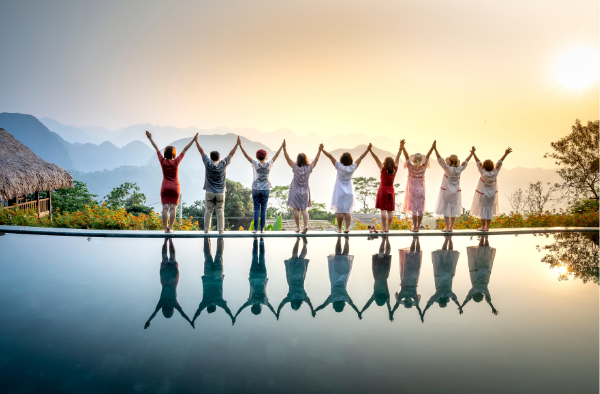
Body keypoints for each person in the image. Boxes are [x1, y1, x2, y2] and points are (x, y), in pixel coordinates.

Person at [146, 131, 197, 233]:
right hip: (175, 187)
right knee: (173, 208)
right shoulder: (176, 161)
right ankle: (171, 228)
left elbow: (156, 148)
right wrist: (193, 140)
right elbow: (185, 149)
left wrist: (150, 138)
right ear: (174, 153)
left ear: (165, 153)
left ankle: (165, 229)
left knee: (165, 208)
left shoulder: (162, 161)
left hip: (165, 186)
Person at [321, 144, 372, 233]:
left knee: (339, 211)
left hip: (339, 192)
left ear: (341, 160)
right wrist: (367, 150)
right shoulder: (352, 167)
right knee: (348, 211)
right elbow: (360, 158)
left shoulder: (338, 166)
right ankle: (347, 228)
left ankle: (340, 229)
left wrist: (322, 150)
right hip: (349, 193)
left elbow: (330, 156)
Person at [144, 239, 193, 329]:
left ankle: (169, 239)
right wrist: (148, 321)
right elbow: (154, 313)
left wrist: (190, 321)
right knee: (165, 258)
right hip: (165, 279)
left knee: (172, 258)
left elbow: (182, 313)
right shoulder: (162, 304)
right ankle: (167, 240)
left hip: (173, 280)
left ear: (172, 310)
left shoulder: (173, 303)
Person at [195, 136, 240, 234]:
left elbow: (201, 151)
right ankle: (221, 231)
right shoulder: (223, 163)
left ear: (210, 157)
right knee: (220, 212)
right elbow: (231, 154)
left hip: (209, 192)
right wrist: (237, 145)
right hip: (220, 193)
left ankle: (206, 231)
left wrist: (196, 141)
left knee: (208, 211)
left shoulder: (207, 163)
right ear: (219, 158)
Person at [239, 140, 284, 233]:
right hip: (266, 189)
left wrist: (240, 145)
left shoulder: (255, 164)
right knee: (263, 209)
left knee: (256, 209)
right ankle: (262, 229)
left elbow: (246, 155)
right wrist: (282, 147)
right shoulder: (269, 164)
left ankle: (255, 229)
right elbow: (276, 155)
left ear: (257, 156)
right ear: (265, 156)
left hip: (255, 188)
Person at [314, 237, 362, 318]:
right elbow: (323, 306)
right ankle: (339, 238)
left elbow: (353, 305)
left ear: (343, 305)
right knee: (337, 254)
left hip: (344, 274)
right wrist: (315, 310)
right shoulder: (332, 298)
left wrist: (358, 312)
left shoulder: (346, 298)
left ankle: (346, 240)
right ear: (335, 305)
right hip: (335, 273)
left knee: (345, 255)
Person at [282, 140, 323, 233]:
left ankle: (297, 227)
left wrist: (284, 148)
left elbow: (287, 158)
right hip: (305, 191)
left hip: (295, 191)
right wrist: (319, 151)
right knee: (304, 209)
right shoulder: (309, 167)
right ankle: (305, 226)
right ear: (306, 159)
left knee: (296, 209)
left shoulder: (295, 166)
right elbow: (316, 160)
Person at [192, 238, 235, 327]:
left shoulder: (219, 302)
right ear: (208, 307)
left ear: (215, 306)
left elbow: (227, 309)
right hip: (208, 275)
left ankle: (220, 238)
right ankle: (206, 238)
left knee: (219, 255)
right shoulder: (205, 302)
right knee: (207, 255)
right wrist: (193, 320)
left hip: (217, 275)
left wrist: (232, 317)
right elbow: (198, 311)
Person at [432, 145, 474, 232]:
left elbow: (440, 160)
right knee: (453, 209)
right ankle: (451, 227)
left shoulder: (447, 168)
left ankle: (447, 227)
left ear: (449, 161)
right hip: (456, 192)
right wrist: (472, 153)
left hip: (447, 191)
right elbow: (466, 161)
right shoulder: (459, 169)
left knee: (446, 208)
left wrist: (435, 149)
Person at [470, 147, 513, 231]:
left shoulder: (483, 172)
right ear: (492, 166)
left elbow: (478, 162)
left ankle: (482, 227)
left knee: (483, 209)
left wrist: (473, 153)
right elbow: (499, 163)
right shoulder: (495, 173)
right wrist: (506, 154)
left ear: (484, 166)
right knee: (489, 209)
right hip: (491, 195)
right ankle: (487, 227)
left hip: (483, 195)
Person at [235, 238, 277, 319]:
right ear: (252, 307)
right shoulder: (251, 301)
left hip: (262, 276)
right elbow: (242, 308)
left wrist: (276, 313)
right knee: (254, 256)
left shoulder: (264, 301)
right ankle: (256, 240)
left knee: (261, 256)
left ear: (260, 307)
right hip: (253, 276)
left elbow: (271, 307)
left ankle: (261, 240)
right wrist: (235, 316)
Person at [422, 236, 463, 321]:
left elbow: (456, 301)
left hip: (449, 273)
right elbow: (429, 303)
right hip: (440, 273)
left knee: (450, 254)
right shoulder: (438, 295)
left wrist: (460, 307)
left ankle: (449, 239)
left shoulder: (449, 294)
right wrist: (424, 312)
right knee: (442, 255)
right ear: (440, 301)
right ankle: (446, 239)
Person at [400, 140, 436, 232]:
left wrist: (403, 147)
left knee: (414, 210)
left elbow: (406, 157)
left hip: (412, 190)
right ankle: (418, 227)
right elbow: (427, 157)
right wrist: (432, 147)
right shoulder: (423, 168)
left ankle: (414, 227)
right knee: (420, 210)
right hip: (421, 190)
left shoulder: (410, 167)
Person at [276, 237, 315, 318]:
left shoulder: (302, 298)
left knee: (301, 258)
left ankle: (304, 244)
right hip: (292, 275)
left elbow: (309, 303)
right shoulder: (290, 298)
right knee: (294, 257)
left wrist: (312, 310)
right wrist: (278, 312)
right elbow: (282, 304)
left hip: (299, 275)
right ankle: (298, 241)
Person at [368, 142, 402, 232]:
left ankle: (383, 228)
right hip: (391, 189)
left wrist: (370, 150)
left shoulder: (383, 169)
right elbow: (397, 158)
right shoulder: (395, 169)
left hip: (383, 189)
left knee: (383, 210)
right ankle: (387, 228)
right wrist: (400, 149)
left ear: (385, 163)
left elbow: (376, 159)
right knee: (389, 211)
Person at [462, 235, 499, 315]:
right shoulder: (474, 290)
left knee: (486, 253)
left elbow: (488, 301)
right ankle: (482, 237)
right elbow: (467, 299)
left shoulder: (484, 290)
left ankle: (486, 238)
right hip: (477, 269)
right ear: (474, 296)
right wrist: (462, 306)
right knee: (479, 252)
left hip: (485, 269)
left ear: (481, 296)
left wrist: (493, 308)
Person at [391, 236, 424, 321]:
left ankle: (415, 239)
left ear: (405, 302)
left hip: (408, 275)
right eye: (410, 302)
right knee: (416, 254)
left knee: (414, 254)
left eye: (407, 302)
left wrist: (392, 312)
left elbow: (397, 304)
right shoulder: (410, 296)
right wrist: (421, 314)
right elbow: (417, 306)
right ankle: (416, 239)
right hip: (412, 275)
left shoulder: (403, 296)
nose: (408, 301)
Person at [361, 237, 393, 321]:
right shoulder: (375, 296)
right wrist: (361, 311)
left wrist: (390, 313)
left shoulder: (386, 297)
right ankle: (383, 240)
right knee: (381, 255)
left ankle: (387, 239)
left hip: (385, 275)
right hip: (377, 274)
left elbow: (389, 306)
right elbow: (368, 303)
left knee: (386, 254)